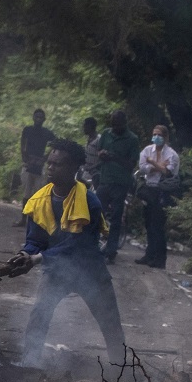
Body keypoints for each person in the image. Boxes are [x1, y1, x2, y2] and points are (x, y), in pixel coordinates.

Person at [16, 139, 127, 367]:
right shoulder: (40, 199)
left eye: (58, 164)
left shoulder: (89, 202)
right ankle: (29, 363)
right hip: (57, 271)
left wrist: (38, 258)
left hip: (91, 273)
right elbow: (35, 239)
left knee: (110, 324)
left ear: (74, 168)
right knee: (39, 314)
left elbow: (77, 245)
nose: (51, 167)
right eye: (50, 162)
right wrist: (25, 254)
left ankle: (123, 371)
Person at [94, 111, 145, 257]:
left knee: (116, 218)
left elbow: (131, 164)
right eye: (112, 124)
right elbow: (98, 151)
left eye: (117, 124)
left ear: (124, 123)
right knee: (97, 213)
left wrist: (114, 157)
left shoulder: (132, 139)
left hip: (120, 183)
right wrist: (101, 154)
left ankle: (111, 251)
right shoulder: (106, 134)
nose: (114, 127)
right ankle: (93, 247)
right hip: (105, 180)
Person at [133, 124, 182, 268]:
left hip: (163, 192)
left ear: (166, 137)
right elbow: (142, 168)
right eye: (155, 134)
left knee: (158, 226)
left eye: (159, 135)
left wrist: (152, 162)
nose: (156, 137)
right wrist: (158, 166)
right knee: (149, 224)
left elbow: (168, 172)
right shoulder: (147, 150)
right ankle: (149, 255)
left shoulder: (172, 154)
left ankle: (160, 259)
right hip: (149, 190)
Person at [17, 108, 56, 202]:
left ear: (44, 119)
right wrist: (23, 154)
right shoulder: (27, 130)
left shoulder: (47, 133)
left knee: (37, 193)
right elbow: (23, 141)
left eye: (41, 117)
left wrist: (46, 157)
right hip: (28, 163)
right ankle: (24, 214)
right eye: (37, 117)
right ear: (33, 118)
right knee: (26, 191)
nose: (39, 119)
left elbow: (55, 143)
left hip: (39, 164)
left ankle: (31, 216)